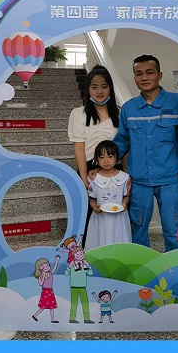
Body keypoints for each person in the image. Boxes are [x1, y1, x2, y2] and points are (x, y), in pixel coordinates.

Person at [113, 55, 178, 252]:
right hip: (139, 179)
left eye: (149, 72)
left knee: (173, 228)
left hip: (169, 178)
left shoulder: (177, 102)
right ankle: (141, 267)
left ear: (159, 75)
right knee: (138, 229)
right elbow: (122, 141)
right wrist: (100, 165)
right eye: (139, 74)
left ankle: (174, 267)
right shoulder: (129, 108)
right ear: (134, 78)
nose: (144, 77)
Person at [68, 65, 120, 247]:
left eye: (104, 86)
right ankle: (85, 257)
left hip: (115, 172)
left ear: (110, 89)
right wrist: (83, 176)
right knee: (88, 216)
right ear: (88, 89)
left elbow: (124, 147)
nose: (99, 91)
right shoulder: (79, 114)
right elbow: (79, 147)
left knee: (113, 216)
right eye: (94, 87)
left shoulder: (119, 113)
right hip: (89, 171)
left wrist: (126, 175)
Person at [84, 140, 131, 251]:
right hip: (101, 218)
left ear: (116, 157)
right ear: (96, 159)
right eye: (101, 157)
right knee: (101, 241)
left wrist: (124, 204)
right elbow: (92, 198)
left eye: (110, 157)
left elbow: (126, 195)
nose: (106, 161)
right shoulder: (94, 179)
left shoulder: (124, 177)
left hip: (119, 218)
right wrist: (94, 206)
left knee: (119, 242)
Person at [64, 247, 94, 324]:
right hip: (73, 287)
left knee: (85, 303)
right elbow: (66, 274)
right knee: (74, 303)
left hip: (82, 286)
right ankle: (72, 318)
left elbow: (91, 273)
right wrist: (69, 266)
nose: (80, 255)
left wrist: (88, 265)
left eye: (81, 254)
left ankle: (87, 319)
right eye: (77, 254)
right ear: (73, 256)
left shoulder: (84, 265)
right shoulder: (72, 265)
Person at [32, 255, 61, 323]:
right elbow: (41, 283)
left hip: (50, 291)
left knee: (52, 306)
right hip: (45, 292)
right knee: (43, 306)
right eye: (44, 266)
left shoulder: (50, 273)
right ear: (40, 268)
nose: (47, 267)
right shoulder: (40, 276)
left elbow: (55, 268)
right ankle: (35, 315)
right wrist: (43, 276)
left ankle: (52, 319)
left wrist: (56, 261)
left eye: (47, 265)